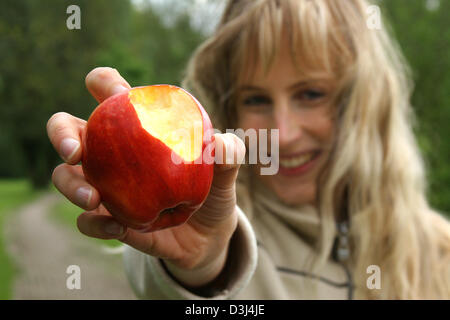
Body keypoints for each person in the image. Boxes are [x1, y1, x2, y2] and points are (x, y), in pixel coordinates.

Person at [46, 0, 450, 299]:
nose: (284, 133)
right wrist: (205, 266)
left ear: (363, 101)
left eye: (310, 94)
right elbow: (179, 284)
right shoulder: (225, 231)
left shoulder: (437, 254)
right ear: (228, 106)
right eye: (256, 99)